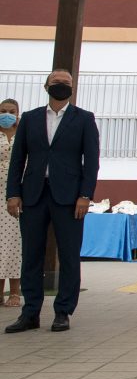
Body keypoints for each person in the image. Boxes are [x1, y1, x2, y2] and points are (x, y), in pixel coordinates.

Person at [5, 70, 99, 333]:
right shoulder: (30, 119)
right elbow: (17, 160)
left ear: (72, 88)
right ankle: (30, 312)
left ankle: (63, 311)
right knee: (31, 255)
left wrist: (85, 195)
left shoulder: (84, 119)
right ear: (46, 86)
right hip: (33, 195)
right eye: (56, 82)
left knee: (69, 255)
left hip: (69, 198)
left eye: (66, 83)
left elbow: (91, 162)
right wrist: (13, 193)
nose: (61, 86)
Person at [0, 99, 22, 308]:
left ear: (17, 114)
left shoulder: (23, 134)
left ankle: (15, 292)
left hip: (16, 195)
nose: (7, 114)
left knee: (15, 244)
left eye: (11, 111)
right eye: (3, 111)